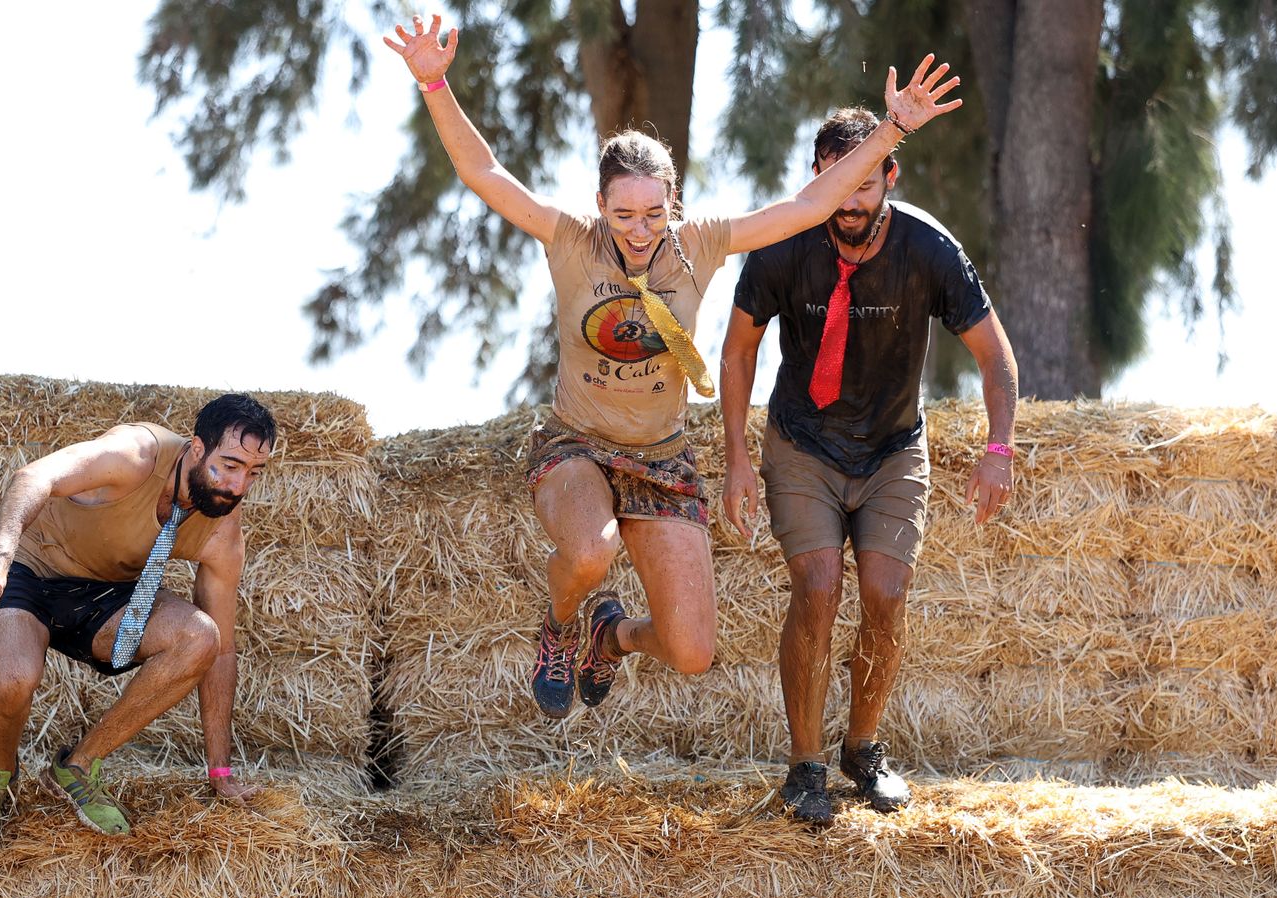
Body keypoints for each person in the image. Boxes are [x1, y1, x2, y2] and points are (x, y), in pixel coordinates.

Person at [384, 15, 964, 719]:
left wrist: (891, 131)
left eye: (654, 214)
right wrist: (434, 82)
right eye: (624, 214)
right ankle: (562, 625)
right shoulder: (570, 241)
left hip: (661, 456)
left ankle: (611, 634)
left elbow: (812, 203)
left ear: (673, 205)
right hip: (580, 445)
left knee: (692, 652)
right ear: (600, 205)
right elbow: (484, 172)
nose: (638, 230)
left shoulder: (702, 245)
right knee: (591, 555)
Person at [720, 107, 1019, 826]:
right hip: (803, 443)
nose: (850, 204)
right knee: (818, 587)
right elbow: (737, 351)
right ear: (815, 176)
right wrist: (735, 456)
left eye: (865, 186)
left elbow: (995, 357)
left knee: (885, 592)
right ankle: (804, 766)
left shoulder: (930, 249)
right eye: (835, 183)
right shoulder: (784, 242)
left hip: (892, 447)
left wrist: (999, 447)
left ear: (891, 174)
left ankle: (862, 749)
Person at [0, 394, 275, 848]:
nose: (238, 485)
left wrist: (220, 771)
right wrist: (1, 552)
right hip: (33, 569)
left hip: (106, 597)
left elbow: (221, 652)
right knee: (12, 680)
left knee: (200, 636)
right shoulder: (135, 455)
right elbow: (34, 475)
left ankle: (77, 766)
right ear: (197, 449)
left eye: (253, 473)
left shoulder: (221, 526)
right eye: (231, 465)